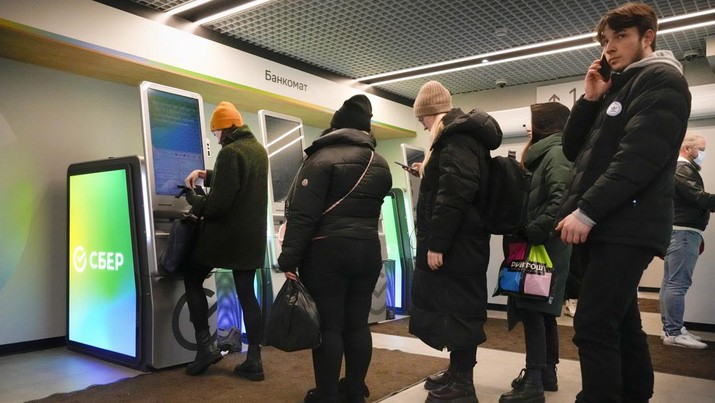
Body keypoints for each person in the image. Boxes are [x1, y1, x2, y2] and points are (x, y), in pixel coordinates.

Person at [554, 3, 691, 402]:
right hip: (613, 225)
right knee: (621, 322)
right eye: (605, 40)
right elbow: (575, 150)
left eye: (621, 37)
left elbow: (639, 157)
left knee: (594, 325)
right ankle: (635, 394)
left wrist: (588, 209)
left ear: (647, 37)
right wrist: (591, 99)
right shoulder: (621, 86)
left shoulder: (661, 80)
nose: (610, 48)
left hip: (624, 225)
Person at [277, 94, 392, 403]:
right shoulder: (379, 163)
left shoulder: (320, 159)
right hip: (368, 250)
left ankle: (326, 394)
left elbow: (303, 216)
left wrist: (288, 258)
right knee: (357, 323)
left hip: (327, 254)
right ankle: (354, 391)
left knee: (329, 326)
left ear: (335, 127)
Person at [408, 80, 502, 403]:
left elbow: (455, 193)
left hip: (457, 245)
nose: (421, 123)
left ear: (433, 112)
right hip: (465, 243)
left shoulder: (456, 138)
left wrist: (437, 243)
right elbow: (451, 183)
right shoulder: (457, 140)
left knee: (459, 311)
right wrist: (428, 170)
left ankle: (463, 384)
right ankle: (456, 372)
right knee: (456, 307)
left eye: (422, 116)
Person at [182, 101, 268, 379]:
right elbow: (239, 181)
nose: (216, 139)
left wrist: (192, 198)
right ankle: (254, 358)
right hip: (251, 238)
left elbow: (218, 206)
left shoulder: (230, 152)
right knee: (246, 292)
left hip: (226, 238)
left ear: (227, 129)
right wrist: (207, 175)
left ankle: (205, 347)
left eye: (216, 133)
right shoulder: (258, 150)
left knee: (192, 276)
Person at [499, 102, 572, 403]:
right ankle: (546, 374)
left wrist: (534, 230)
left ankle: (533, 383)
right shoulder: (546, 153)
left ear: (543, 124)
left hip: (542, 246)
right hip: (541, 245)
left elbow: (561, 198)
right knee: (542, 313)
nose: (528, 127)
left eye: (532, 122)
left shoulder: (555, 154)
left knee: (533, 312)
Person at [660, 134, 714, 349]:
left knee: (670, 282)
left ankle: (672, 328)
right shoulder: (682, 169)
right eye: (700, 149)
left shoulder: (680, 169)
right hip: (683, 233)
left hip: (677, 231)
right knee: (677, 284)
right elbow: (699, 198)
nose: (702, 153)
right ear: (687, 148)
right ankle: (673, 331)